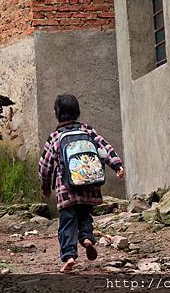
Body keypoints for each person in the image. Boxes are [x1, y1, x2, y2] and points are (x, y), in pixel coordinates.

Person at [39, 94, 125, 273]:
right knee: (85, 216)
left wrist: (45, 187)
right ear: (77, 112)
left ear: (57, 113)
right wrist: (117, 165)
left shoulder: (55, 137)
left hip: (66, 191)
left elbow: (45, 166)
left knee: (67, 224)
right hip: (89, 187)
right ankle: (87, 239)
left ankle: (69, 256)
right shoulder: (88, 131)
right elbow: (104, 148)